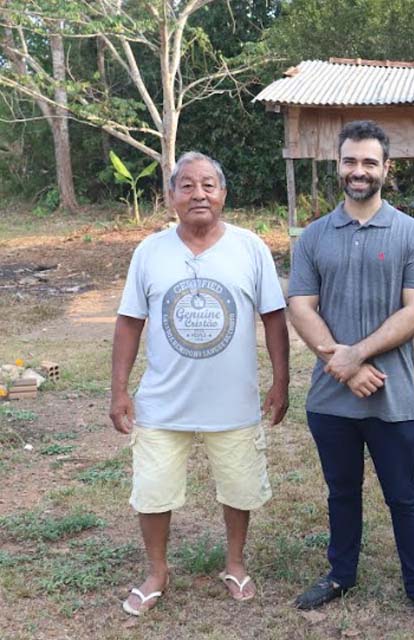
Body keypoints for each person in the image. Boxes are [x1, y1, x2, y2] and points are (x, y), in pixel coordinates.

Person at [110, 151, 289, 616]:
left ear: (223, 193)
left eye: (208, 185)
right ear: (171, 197)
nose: (199, 194)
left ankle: (234, 562)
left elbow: (274, 318)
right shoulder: (150, 251)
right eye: (186, 186)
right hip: (163, 402)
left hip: (233, 401)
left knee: (239, 486)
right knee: (152, 489)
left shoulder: (250, 247)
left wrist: (281, 380)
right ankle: (156, 571)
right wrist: (119, 390)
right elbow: (129, 322)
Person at [286, 120, 414, 626]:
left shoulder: (412, 234)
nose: (359, 171)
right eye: (351, 161)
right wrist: (344, 363)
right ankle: (340, 574)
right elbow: (301, 306)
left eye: (369, 162)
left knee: (403, 495)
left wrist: (357, 355)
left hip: (391, 396)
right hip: (330, 398)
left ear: (386, 169)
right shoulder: (313, 236)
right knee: (341, 492)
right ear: (339, 166)